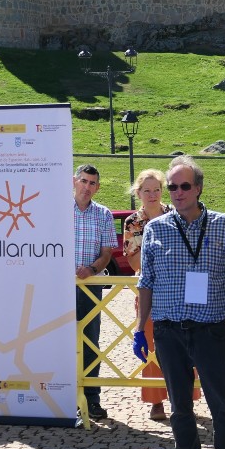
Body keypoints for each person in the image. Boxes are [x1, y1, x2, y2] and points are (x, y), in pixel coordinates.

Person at [132, 155, 225, 449]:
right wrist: (140, 329)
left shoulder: (223, 227)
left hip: (210, 329)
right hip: (168, 330)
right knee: (180, 408)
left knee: (222, 406)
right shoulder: (155, 228)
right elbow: (146, 280)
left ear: (198, 188)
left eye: (184, 186)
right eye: (172, 187)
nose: (177, 192)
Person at [123, 168, 183, 421]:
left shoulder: (176, 214)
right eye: (146, 190)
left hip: (178, 290)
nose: (152, 194)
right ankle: (156, 401)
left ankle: (184, 397)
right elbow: (135, 262)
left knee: (183, 344)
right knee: (150, 345)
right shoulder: (133, 223)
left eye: (156, 189)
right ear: (138, 193)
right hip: (148, 291)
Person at [72, 164, 118, 421]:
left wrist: (91, 269)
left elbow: (107, 253)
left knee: (90, 342)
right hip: (60, 287)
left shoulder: (103, 214)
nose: (87, 187)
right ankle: (64, 397)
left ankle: (92, 400)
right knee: (62, 341)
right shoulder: (56, 210)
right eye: (84, 181)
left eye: (92, 184)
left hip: (90, 287)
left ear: (98, 188)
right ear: (74, 181)